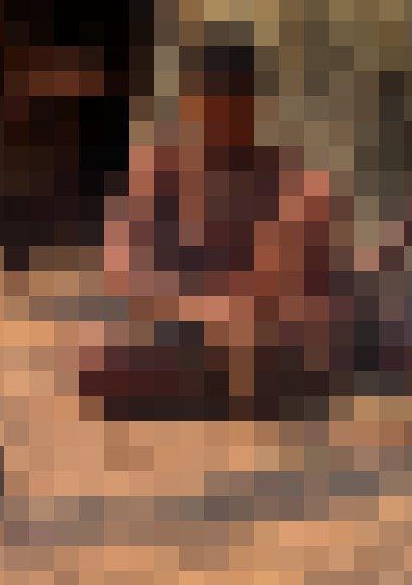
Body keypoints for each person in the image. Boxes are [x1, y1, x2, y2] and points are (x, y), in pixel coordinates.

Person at [90, 36, 345, 417]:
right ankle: (208, 380)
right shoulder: (156, 174)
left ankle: (217, 381)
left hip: (257, 340)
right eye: (208, 103)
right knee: (110, 359)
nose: (219, 117)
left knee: (275, 346)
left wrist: (230, 314)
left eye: (232, 102)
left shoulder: (292, 182)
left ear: (252, 106)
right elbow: (125, 273)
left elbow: (289, 285)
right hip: (180, 334)